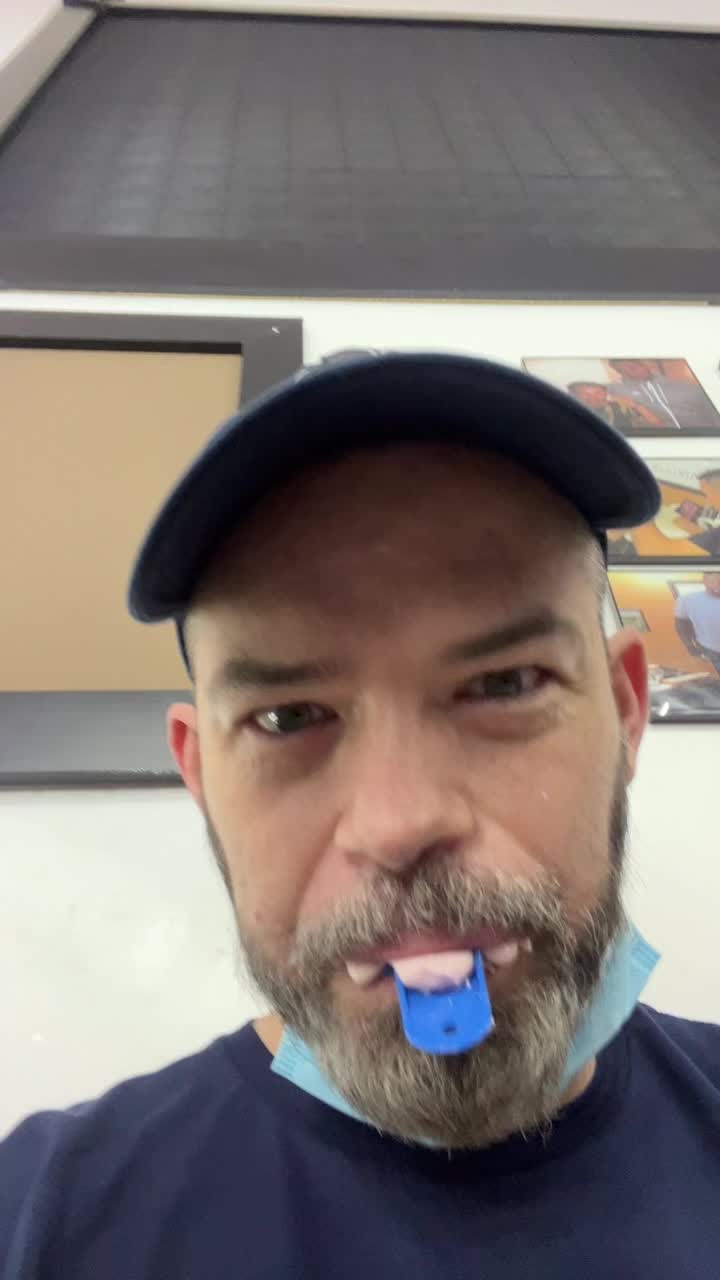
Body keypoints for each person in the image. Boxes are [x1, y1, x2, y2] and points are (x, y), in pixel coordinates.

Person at [2, 351, 719, 1280]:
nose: (398, 825)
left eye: (505, 684)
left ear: (624, 711)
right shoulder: (37, 1222)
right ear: (202, 772)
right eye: (287, 718)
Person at [607, 358, 720, 432]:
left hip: (702, 433)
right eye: (622, 371)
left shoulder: (686, 386)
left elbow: (713, 411)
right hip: (662, 439)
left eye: (633, 367)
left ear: (645, 365)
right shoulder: (618, 389)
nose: (629, 373)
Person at [567, 379, 666, 431]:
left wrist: (636, 405)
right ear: (575, 396)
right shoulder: (571, 412)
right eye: (585, 394)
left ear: (606, 393)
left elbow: (659, 424)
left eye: (598, 393)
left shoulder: (620, 407)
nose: (593, 397)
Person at [675, 572, 720, 676]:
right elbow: (681, 624)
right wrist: (689, 645)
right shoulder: (687, 599)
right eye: (714, 582)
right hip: (710, 650)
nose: (717, 587)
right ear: (704, 581)